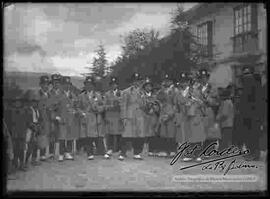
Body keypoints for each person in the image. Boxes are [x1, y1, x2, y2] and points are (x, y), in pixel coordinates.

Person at [78, 76, 107, 160]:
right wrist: (82, 113)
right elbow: (78, 107)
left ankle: (102, 151)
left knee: (98, 135)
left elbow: (103, 105)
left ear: (93, 86)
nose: (89, 86)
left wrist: (98, 109)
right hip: (87, 117)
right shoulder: (81, 96)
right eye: (87, 84)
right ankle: (89, 153)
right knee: (88, 136)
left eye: (90, 84)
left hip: (96, 117)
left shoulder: (98, 95)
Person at [119, 72, 146, 160]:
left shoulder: (142, 92)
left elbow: (144, 104)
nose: (137, 83)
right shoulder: (126, 92)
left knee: (139, 135)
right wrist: (123, 117)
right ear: (132, 82)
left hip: (139, 115)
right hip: (129, 115)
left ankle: (137, 152)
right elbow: (123, 105)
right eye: (135, 81)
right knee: (127, 135)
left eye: (138, 81)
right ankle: (123, 152)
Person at [239, 66, 262, 161]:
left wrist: (258, 115)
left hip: (254, 115)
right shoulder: (245, 87)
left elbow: (259, 101)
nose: (246, 76)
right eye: (244, 74)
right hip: (246, 115)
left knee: (253, 135)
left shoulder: (256, 86)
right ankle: (251, 152)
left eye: (248, 73)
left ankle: (255, 154)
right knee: (247, 134)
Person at [57, 76, 78, 161]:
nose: (67, 86)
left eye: (68, 84)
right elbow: (54, 107)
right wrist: (57, 116)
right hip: (62, 118)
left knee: (70, 136)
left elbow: (76, 106)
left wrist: (75, 111)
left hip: (71, 119)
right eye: (65, 84)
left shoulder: (72, 95)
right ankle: (61, 154)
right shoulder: (58, 94)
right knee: (62, 137)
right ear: (62, 85)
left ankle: (68, 153)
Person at [156, 74, 177, 157]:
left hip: (171, 112)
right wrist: (162, 89)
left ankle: (172, 150)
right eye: (165, 80)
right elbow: (158, 99)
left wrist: (171, 114)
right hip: (163, 111)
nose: (166, 82)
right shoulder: (162, 90)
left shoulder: (175, 90)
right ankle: (164, 149)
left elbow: (176, 104)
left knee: (171, 132)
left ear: (171, 81)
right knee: (163, 132)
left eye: (168, 80)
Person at [140, 77, 160, 157]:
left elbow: (159, 105)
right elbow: (140, 105)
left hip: (153, 116)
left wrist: (155, 109)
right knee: (144, 133)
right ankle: (142, 150)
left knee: (153, 132)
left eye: (150, 86)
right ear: (144, 87)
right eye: (146, 86)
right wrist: (146, 108)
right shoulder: (141, 95)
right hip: (144, 115)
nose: (148, 88)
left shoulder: (155, 95)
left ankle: (152, 150)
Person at [104, 77, 123, 158]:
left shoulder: (122, 93)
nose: (113, 86)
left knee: (119, 133)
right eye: (111, 84)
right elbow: (104, 105)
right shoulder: (107, 94)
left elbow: (124, 104)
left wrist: (119, 105)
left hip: (119, 115)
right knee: (110, 133)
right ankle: (109, 149)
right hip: (110, 115)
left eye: (115, 84)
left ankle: (119, 149)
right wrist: (111, 106)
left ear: (117, 85)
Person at [24, 89, 42, 167]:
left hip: (36, 127)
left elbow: (38, 119)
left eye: (36, 101)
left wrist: (38, 126)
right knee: (30, 146)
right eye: (33, 101)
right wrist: (33, 127)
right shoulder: (28, 109)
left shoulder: (36, 110)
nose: (35, 103)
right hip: (30, 129)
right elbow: (27, 121)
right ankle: (25, 161)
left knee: (36, 145)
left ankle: (34, 160)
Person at [49, 73, 63, 161]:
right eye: (54, 82)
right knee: (52, 135)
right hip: (52, 116)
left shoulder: (63, 93)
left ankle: (61, 153)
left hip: (62, 117)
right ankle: (51, 153)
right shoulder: (49, 93)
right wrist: (54, 116)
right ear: (52, 83)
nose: (56, 84)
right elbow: (49, 107)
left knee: (61, 135)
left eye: (58, 82)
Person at [38, 75, 51, 161]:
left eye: (47, 84)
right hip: (39, 118)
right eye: (44, 84)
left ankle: (46, 154)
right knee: (39, 136)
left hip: (48, 119)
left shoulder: (50, 95)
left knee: (47, 136)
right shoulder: (37, 94)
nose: (45, 86)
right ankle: (38, 155)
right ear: (40, 85)